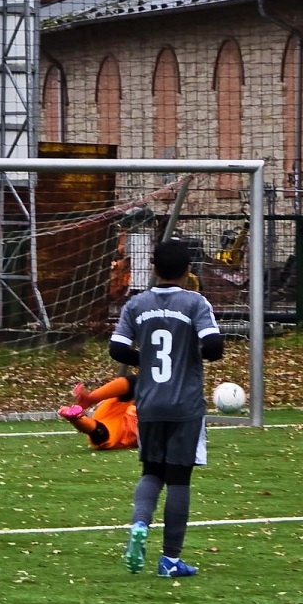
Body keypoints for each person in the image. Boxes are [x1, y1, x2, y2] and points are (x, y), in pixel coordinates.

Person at [110, 238, 223, 578]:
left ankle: (139, 524)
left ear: (154, 268)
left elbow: (117, 349)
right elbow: (214, 347)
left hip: (149, 403)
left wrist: (143, 359)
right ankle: (170, 559)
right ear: (188, 270)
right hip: (184, 405)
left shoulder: (136, 304)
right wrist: (188, 355)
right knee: (179, 479)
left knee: (151, 471)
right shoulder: (195, 302)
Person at [59, 375, 139, 451]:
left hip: (120, 432)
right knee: (135, 382)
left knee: (102, 435)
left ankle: (74, 418)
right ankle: (90, 399)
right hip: (122, 414)